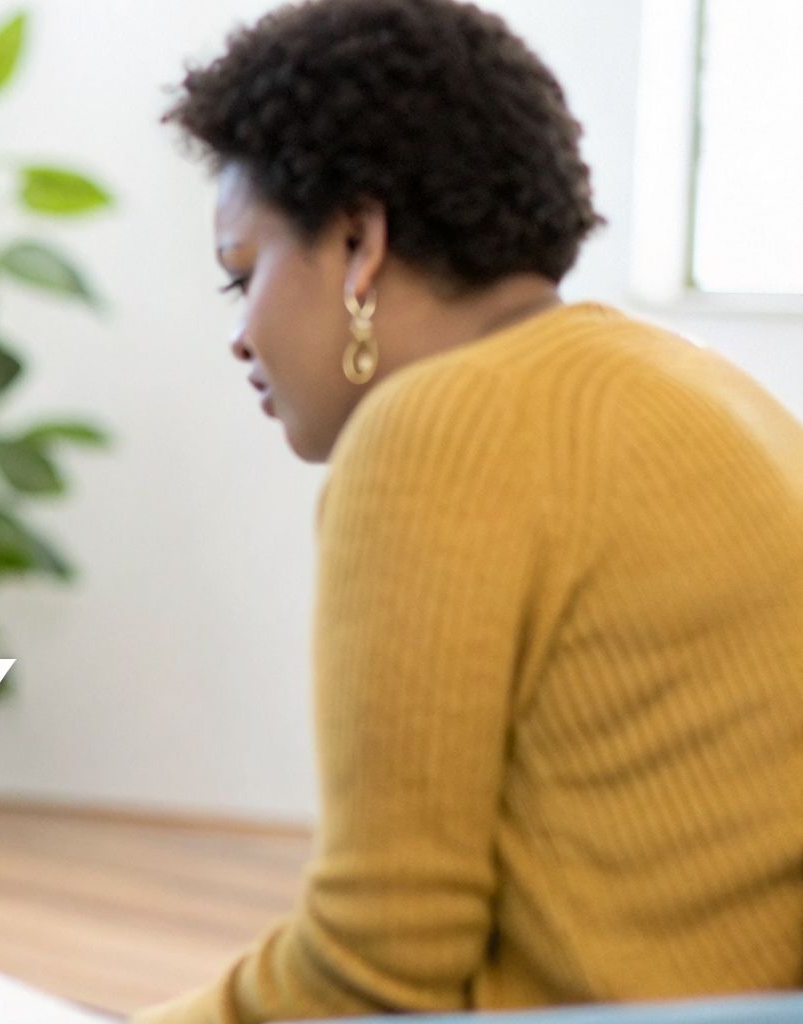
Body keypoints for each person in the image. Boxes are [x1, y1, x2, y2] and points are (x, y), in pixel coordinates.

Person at [136, 1, 803, 1021]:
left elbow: (370, 974)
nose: (240, 336)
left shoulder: (435, 429)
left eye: (242, 277)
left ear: (357, 240)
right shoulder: (708, 389)